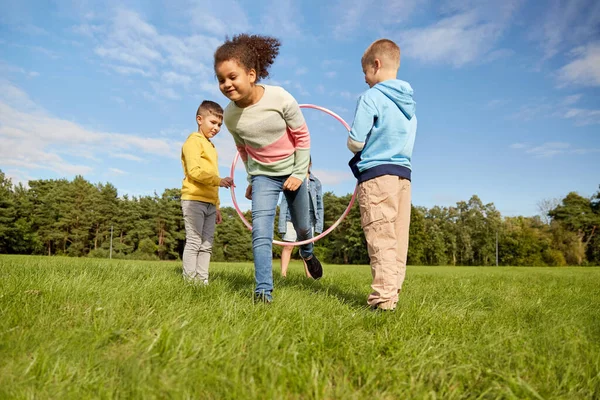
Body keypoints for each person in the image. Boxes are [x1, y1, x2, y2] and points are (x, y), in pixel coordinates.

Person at [214, 33, 323, 304]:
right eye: (221, 79)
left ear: (251, 74)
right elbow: (243, 149)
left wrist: (299, 174)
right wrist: (252, 177)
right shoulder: (229, 115)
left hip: (293, 170)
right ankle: (263, 292)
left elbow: (303, 138)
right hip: (263, 175)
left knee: (302, 226)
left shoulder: (280, 98)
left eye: (232, 77)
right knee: (261, 232)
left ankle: (307, 253)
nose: (226, 84)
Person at [347, 39, 417, 311]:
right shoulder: (410, 104)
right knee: (398, 239)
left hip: (377, 176)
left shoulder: (371, 97)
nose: (365, 79)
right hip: (403, 176)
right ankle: (392, 294)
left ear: (376, 65)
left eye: (365, 72)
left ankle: (382, 301)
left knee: (380, 236)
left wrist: (355, 144)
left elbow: (355, 141)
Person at [181, 100, 234, 284]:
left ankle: (202, 282)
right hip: (194, 200)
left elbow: (213, 175)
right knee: (194, 241)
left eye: (220, 124)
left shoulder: (211, 147)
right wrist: (219, 181)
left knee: (207, 245)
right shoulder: (193, 142)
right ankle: (189, 281)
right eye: (213, 122)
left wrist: (217, 206)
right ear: (199, 119)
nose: (217, 128)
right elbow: (194, 171)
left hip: (210, 203)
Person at [278, 159, 323, 278]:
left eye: (306, 163)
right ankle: (283, 274)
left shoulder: (316, 182)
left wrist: (319, 226)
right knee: (288, 245)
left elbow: (319, 205)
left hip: (310, 218)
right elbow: (284, 202)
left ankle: (309, 275)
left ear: (310, 164)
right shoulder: (290, 180)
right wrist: (282, 224)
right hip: (290, 217)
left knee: (307, 248)